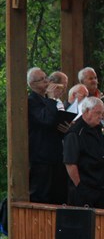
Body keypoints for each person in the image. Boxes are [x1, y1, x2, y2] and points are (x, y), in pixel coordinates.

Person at [27, 67, 66, 204]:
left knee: (57, 195)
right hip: (41, 156)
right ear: (32, 84)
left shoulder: (49, 101)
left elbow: (54, 122)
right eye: (42, 79)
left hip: (55, 154)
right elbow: (46, 120)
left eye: (46, 78)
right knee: (41, 195)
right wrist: (51, 98)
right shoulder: (32, 101)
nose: (47, 81)